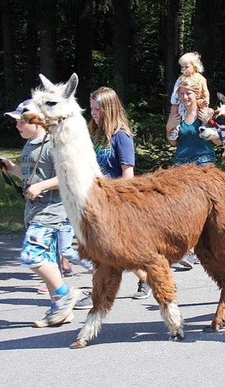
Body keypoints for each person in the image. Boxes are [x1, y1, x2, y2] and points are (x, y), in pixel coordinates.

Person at [0, 99, 81, 327]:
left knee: (32, 256)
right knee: (48, 260)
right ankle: (59, 310)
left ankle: (65, 294)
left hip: (51, 212)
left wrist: (41, 187)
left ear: (38, 121)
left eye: (22, 121)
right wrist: (11, 168)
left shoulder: (52, 143)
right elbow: (31, 177)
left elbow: (69, 175)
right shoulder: (30, 145)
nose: (17, 125)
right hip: (34, 211)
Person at [75, 86, 151, 307]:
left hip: (113, 200)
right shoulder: (96, 134)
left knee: (109, 249)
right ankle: (143, 277)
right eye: (91, 108)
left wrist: (122, 203)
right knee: (106, 250)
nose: (93, 113)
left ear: (109, 108)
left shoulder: (122, 137)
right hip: (93, 199)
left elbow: (128, 175)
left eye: (97, 109)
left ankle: (102, 291)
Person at [166, 80, 220, 268]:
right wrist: (169, 128)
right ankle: (186, 250)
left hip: (203, 164)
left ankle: (207, 247)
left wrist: (207, 122)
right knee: (182, 210)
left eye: (188, 93)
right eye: (182, 94)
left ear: (197, 95)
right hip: (181, 164)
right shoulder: (177, 115)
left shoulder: (207, 113)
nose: (185, 97)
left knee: (204, 209)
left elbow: (219, 142)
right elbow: (173, 142)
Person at [166, 52, 210, 141]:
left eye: (186, 67)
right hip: (181, 100)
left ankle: (204, 125)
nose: (183, 69)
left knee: (204, 106)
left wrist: (206, 100)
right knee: (175, 111)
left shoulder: (200, 78)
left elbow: (205, 91)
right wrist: (175, 101)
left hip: (198, 99)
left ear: (195, 66)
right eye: (182, 67)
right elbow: (176, 90)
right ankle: (175, 129)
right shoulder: (181, 78)